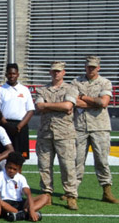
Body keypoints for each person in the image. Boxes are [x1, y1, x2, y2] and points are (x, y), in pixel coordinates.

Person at [72, 56, 118, 204]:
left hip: (100, 127)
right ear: (85, 67)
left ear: (99, 67)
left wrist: (84, 97)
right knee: (77, 161)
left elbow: (103, 102)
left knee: (102, 160)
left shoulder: (105, 82)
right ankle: (72, 192)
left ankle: (106, 191)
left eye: (93, 67)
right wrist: (94, 102)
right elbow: (74, 101)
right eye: (88, 66)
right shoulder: (76, 82)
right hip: (80, 126)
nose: (90, 69)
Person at [35, 61, 79, 210]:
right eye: (54, 71)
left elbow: (68, 106)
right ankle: (47, 194)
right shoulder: (42, 90)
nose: (56, 73)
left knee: (67, 166)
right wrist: (59, 106)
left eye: (59, 71)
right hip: (45, 133)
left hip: (65, 133)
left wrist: (48, 105)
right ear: (50, 72)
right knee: (44, 166)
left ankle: (71, 195)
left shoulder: (71, 88)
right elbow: (39, 107)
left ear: (64, 72)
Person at [0, 152, 48, 221]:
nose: (11, 170)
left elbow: (28, 194)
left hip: (18, 203)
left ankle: (20, 214)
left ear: (19, 169)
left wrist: (31, 209)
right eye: (9, 167)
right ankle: (22, 214)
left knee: (45, 197)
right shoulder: (0, 175)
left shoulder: (21, 178)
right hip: (4, 202)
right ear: (5, 166)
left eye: (14, 169)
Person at [0, 63, 35, 159]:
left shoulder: (24, 90)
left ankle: (18, 174)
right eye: (9, 74)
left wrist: (19, 126)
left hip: (21, 126)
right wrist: (6, 124)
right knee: (4, 155)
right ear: (6, 75)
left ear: (18, 74)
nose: (12, 76)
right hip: (5, 125)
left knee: (20, 156)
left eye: (14, 74)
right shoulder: (0, 90)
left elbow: (30, 110)